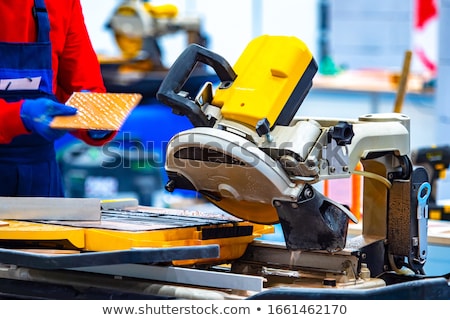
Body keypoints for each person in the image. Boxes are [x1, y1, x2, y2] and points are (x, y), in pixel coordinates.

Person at [0, 0, 116, 197]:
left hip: (40, 176)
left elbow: (81, 86)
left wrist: (95, 120)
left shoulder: (62, 3)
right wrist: (19, 115)